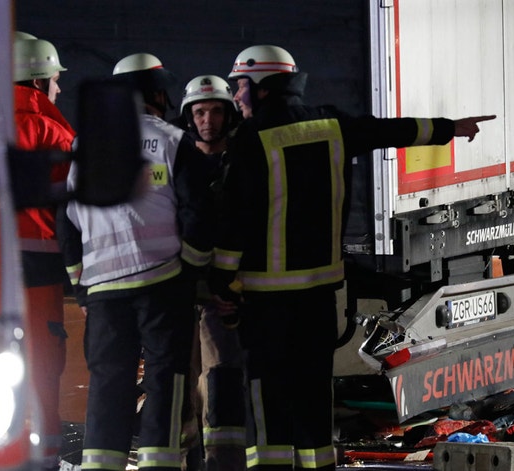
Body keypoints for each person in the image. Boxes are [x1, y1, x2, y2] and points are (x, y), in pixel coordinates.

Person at [210, 44, 495, 471]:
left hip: (266, 302)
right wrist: (449, 128)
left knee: (267, 396)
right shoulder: (331, 125)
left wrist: (221, 282)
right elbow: (386, 131)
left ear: (263, 86)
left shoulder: (252, 138)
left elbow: (235, 219)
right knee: (313, 392)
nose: (236, 95)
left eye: (240, 85)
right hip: (320, 296)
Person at [57, 52, 214, 471]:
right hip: (162, 281)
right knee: (165, 377)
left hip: (104, 289)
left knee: (108, 381)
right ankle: (158, 465)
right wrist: (193, 269)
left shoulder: (84, 145)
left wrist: (81, 285)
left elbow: (67, 222)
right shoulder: (173, 141)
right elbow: (199, 213)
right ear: (158, 94)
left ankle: (100, 466)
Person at [176, 74, 246, 471]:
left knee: (221, 379)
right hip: (183, 289)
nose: (208, 120)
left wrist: (230, 287)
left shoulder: (239, 162)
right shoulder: (178, 160)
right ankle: (188, 462)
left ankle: (224, 463)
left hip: (223, 292)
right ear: (189, 116)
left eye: (216, 111)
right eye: (200, 112)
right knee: (180, 383)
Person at [13, 36, 75, 471]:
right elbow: (75, 210)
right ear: (37, 81)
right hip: (39, 264)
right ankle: (42, 458)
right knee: (41, 364)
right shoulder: (54, 131)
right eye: (54, 80)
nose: (58, 89)